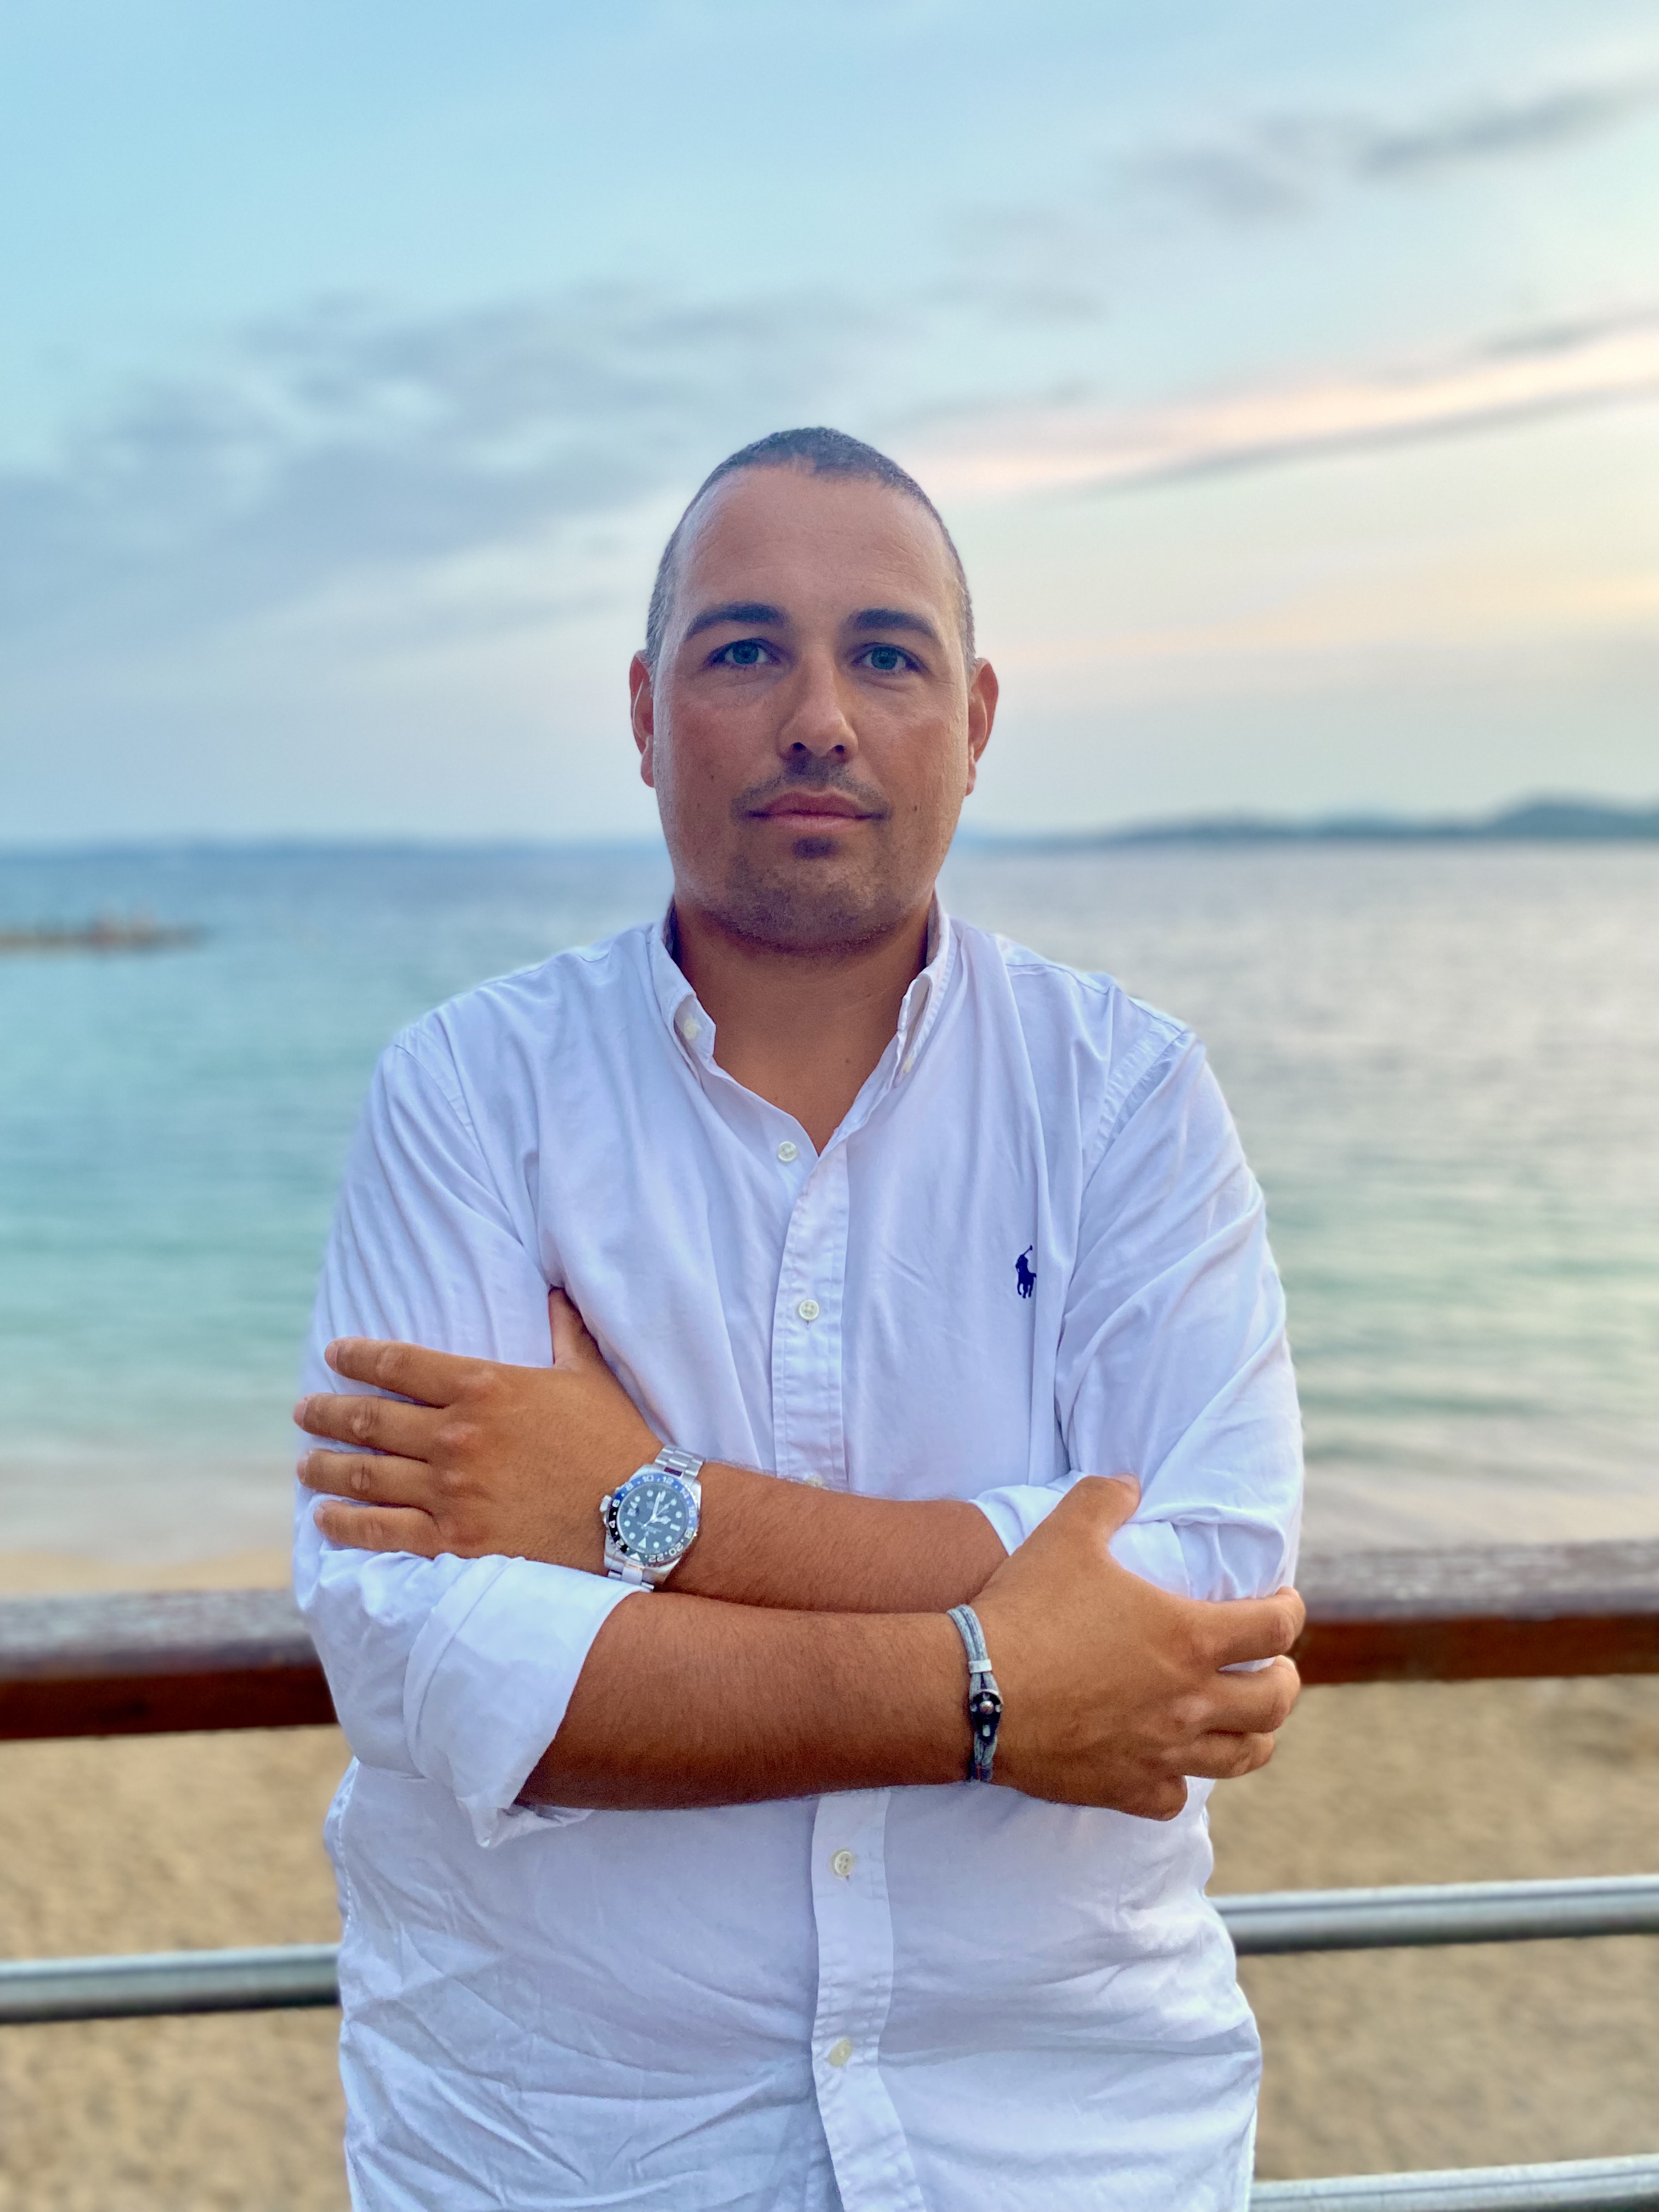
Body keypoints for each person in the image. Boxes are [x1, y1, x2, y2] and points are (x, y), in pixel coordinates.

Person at [292, 426, 1305, 2212]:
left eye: (887, 656)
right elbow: (429, 1657)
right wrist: (1002, 1685)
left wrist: (640, 1509)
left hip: (1065, 2141)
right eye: (747, 649)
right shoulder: (469, 1094)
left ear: (975, 720)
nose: (820, 718)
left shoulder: (1125, 1099)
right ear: (644, 712)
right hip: (570, 2143)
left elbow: (1201, 1595)